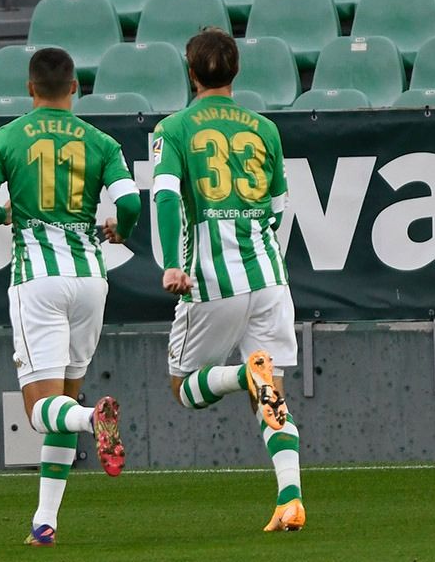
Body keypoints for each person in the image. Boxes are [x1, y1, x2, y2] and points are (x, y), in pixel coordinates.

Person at [0, 47, 142, 547]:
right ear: (75, 88)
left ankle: (91, 419)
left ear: (29, 88)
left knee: (41, 410)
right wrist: (122, 229)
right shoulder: (101, 142)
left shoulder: (8, 136)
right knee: (61, 400)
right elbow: (130, 201)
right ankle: (45, 522)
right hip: (90, 280)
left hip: (38, 280)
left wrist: (5, 215)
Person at [151, 27, 305, 532]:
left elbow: (166, 195)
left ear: (190, 73)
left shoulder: (174, 128)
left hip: (212, 281)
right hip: (269, 276)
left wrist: (172, 262)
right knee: (273, 397)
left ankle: (242, 376)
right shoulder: (265, 129)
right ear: (236, 71)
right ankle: (290, 498)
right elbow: (278, 211)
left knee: (183, 388)